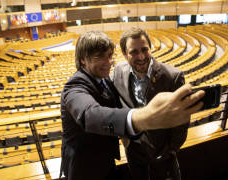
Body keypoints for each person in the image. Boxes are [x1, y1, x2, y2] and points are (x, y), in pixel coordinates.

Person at [60, 30, 204, 180]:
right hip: (86, 168)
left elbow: (182, 120)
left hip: (154, 155)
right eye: (100, 57)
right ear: (83, 59)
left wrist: (171, 150)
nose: (108, 62)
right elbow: (90, 114)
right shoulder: (74, 86)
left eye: (109, 55)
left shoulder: (105, 78)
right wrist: (143, 118)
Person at [111, 27, 190, 180]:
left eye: (144, 49)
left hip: (162, 153)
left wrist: (171, 150)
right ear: (124, 54)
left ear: (150, 48)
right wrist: (123, 136)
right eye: (133, 52)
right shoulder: (119, 70)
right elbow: (116, 102)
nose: (141, 56)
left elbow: (183, 120)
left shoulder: (172, 76)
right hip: (133, 150)